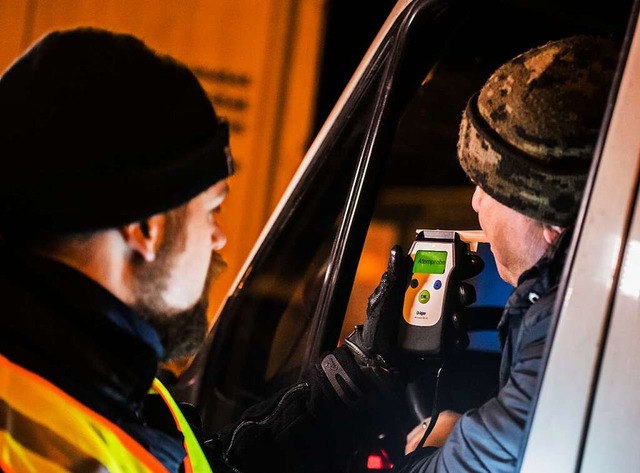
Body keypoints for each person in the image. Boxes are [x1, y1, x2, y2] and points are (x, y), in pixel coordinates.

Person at [0, 27, 412, 472]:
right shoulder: (36, 445)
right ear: (145, 229)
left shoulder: (103, 386)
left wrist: (353, 382)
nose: (219, 239)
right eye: (212, 210)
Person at [397, 35, 618, 471]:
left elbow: (505, 446)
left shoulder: (571, 337)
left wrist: (430, 449)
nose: (476, 203)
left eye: (491, 188)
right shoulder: (589, 310)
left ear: (552, 223)